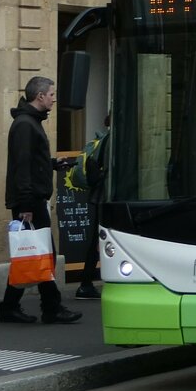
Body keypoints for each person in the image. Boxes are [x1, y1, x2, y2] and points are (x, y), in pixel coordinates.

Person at [0, 76, 82, 325]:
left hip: (32, 197)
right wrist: (25, 206)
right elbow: (21, 166)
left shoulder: (31, 122)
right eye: (52, 94)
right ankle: (49, 308)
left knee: (39, 254)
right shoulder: (25, 124)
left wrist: (54, 164)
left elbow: (32, 161)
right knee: (41, 253)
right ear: (40, 96)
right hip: (29, 201)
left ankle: (18, 307)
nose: (54, 99)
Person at [75, 116, 109, 300]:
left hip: (99, 196)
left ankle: (85, 283)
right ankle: (85, 284)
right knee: (99, 240)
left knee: (96, 239)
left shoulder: (103, 139)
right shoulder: (112, 139)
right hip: (106, 196)